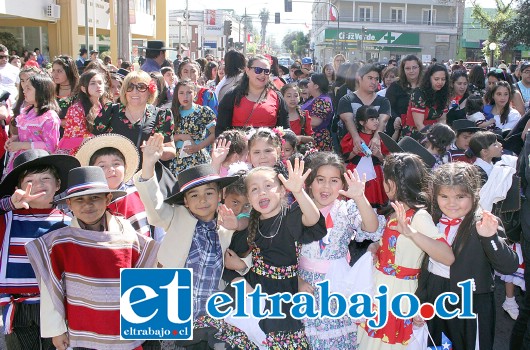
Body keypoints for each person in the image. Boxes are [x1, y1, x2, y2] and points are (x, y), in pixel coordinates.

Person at [25, 166, 159, 350]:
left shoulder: (129, 238)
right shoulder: (59, 242)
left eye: (95, 198)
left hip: (123, 331)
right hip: (81, 333)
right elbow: (51, 288)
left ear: (108, 199)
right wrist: (56, 330)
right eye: (79, 200)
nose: (87, 205)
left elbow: (149, 277)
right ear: (70, 204)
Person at [134, 134, 239, 349]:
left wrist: (233, 231)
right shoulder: (176, 217)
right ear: (185, 202)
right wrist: (148, 165)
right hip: (171, 311)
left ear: (220, 196)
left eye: (209, 194)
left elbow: (239, 258)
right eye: (194, 196)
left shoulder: (225, 224)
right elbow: (154, 207)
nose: (202, 200)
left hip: (208, 317)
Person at [220, 159, 327, 348]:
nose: (261, 192)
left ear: (282, 190)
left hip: (285, 295)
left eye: (268, 186)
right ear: (249, 199)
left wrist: (298, 191)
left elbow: (313, 221)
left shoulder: (291, 216)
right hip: (254, 289)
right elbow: (229, 263)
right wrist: (240, 279)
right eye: (254, 189)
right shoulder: (249, 226)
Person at [357, 153, 455, 349]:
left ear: (390, 183)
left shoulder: (419, 216)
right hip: (380, 286)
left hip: (398, 293)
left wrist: (412, 233)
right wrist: (377, 247)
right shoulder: (396, 210)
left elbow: (447, 256)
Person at [416, 162, 518, 349]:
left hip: (470, 301)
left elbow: (508, 266)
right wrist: (420, 301)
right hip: (435, 293)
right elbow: (425, 266)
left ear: (474, 194)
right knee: (434, 344)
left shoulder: (484, 222)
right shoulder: (431, 219)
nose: (451, 203)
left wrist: (490, 238)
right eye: (444, 196)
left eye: (460, 196)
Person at [298, 152, 384, 349]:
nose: (326, 187)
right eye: (320, 180)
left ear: (342, 185)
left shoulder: (347, 209)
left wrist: (360, 197)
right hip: (304, 285)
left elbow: (372, 228)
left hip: (337, 284)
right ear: (310, 182)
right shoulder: (298, 209)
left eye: (334, 180)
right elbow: (285, 253)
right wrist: (297, 280)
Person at [0, 149, 79, 349]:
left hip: (57, 307)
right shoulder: (7, 219)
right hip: (18, 309)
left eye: (45, 178)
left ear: (58, 184)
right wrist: (9, 204)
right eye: (30, 180)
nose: (38, 185)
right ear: (18, 187)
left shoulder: (68, 223)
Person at [74, 133, 154, 238]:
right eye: (102, 166)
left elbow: (143, 238)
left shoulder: (135, 196)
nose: (111, 169)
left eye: (116, 164)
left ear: (125, 167)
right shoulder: (84, 200)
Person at [92, 70, 176, 163]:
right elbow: (94, 142)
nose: (135, 91)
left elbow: (171, 151)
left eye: (141, 87)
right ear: (125, 91)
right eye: (130, 87)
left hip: (146, 173)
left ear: (150, 91)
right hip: (114, 173)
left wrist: (156, 150)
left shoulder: (162, 115)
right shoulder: (110, 110)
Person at [216, 56, 289, 137]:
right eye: (258, 70)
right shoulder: (231, 95)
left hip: (267, 147)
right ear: (247, 70)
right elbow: (221, 130)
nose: (262, 74)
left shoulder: (277, 97)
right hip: (239, 148)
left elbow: (285, 130)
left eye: (266, 71)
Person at [4, 74, 60, 174]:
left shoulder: (49, 117)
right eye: (24, 88)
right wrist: (14, 140)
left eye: (28, 88)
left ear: (41, 91)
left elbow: (50, 146)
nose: (24, 91)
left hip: (38, 163)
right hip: (21, 160)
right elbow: (24, 136)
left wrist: (21, 145)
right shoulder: (26, 112)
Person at [337, 64, 391, 154]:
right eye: (370, 78)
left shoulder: (383, 101)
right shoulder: (346, 100)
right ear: (359, 78)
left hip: (376, 152)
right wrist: (356, 137)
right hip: (351, 151)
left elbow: (383, 121)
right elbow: (348, 120)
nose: (373, 82)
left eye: (376, 79)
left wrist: (376, 138)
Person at [341, 106, 389, 207]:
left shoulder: (380, 138)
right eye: (372, 119)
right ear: (362, 122)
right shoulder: (353, 137)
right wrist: (354, 152)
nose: (376, 122)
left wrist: (379, 155)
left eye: (377, 119)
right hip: (356, 171)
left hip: (375, 173)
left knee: (373, 202)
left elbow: (386, 159)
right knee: (355, 203)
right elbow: (345, 158)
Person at [169, 79, 216, 175]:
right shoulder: (172, 113)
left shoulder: (202, 111)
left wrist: (198, 147)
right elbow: (166, 138)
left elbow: (214, 133)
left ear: (195, 94)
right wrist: (179, 137)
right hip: (178, 159)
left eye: (189, 92)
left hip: (198, 158)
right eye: (181, 93)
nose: (185, 96)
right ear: (176, 95)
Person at [57, 70, 109, 155]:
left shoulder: (105, 106)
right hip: (77, 154)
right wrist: (98, 140)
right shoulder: (76, 109)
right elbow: (71, 140)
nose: (98, 86)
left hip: (99, 151)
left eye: (100, 83)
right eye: (93, 83)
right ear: (83, 89)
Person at [401, 63, 450, 140]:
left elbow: (442, 119)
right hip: (415, 134)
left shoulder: (443, 94)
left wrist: (441, 135)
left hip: (434, 133)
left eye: (443, 79)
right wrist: (432, 139)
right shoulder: (418, 94)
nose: (440, 82)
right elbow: (419, 124)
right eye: (436, 79)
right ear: (429, 78)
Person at [385, 55, 423, 140]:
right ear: (403, 70)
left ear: (420, 68)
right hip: (398, 127)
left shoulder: (426, 86)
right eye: (408, 68)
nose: (411, 71)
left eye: (414, 67)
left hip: (422, 128)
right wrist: (396, 117)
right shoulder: (396, 86)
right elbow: (388, 105)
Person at [301, 73, 334, 151]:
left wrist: (297, 119)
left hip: (317, 140)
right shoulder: (315, 98)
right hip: (311, 137)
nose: (307, 84)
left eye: (309, 82)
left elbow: (316, 121)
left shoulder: (323, 100)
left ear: (316, 86)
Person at [51, 56, 80, 126]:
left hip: (73, 134)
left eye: (59, 71)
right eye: (53, 70)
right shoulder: (50, 91)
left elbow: (79, 119)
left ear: (69, 71)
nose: (55, 74)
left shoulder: (79, 92)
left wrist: (55, 122)